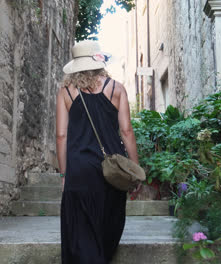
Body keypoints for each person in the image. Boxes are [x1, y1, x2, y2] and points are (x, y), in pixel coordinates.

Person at [56, 40, 140, 263]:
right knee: (108, 224)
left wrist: (64, 174)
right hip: (111, 171)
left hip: (79, 169)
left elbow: (61, 136)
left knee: (80, 231)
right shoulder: (116, 88)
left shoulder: (65, 92)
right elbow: (127, 131)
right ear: (97, 61)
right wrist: (135, 167)